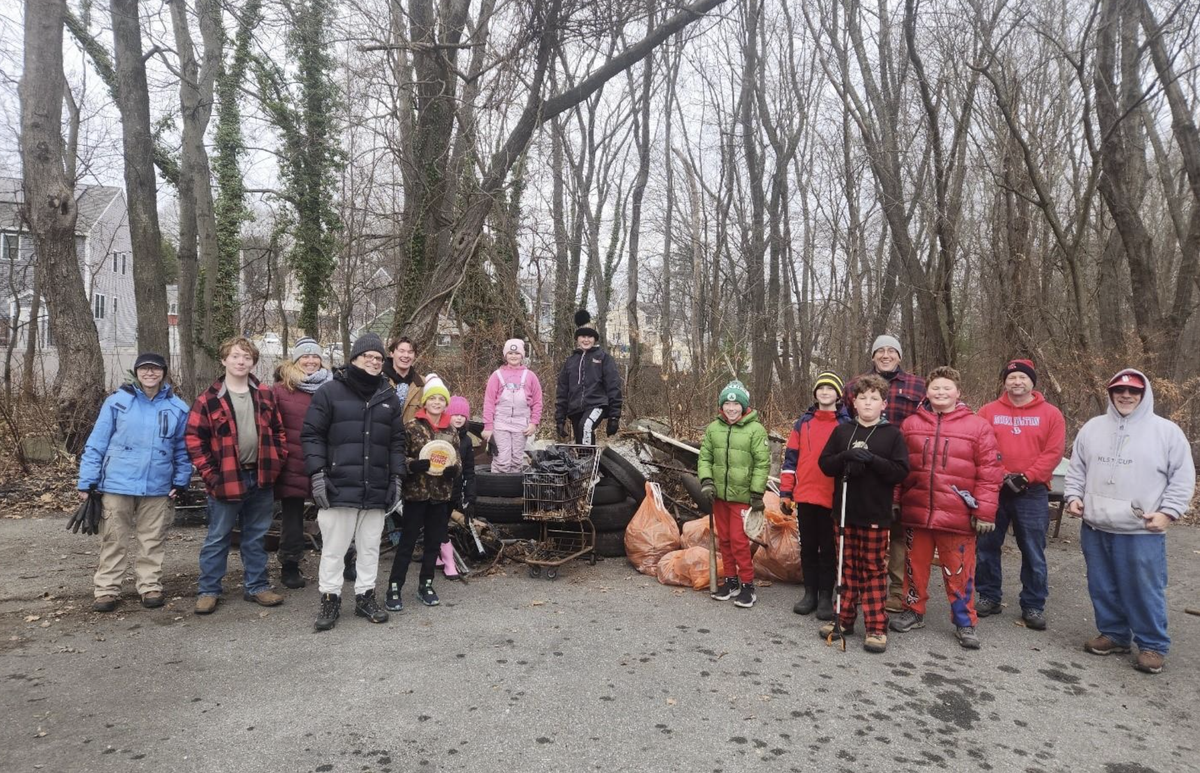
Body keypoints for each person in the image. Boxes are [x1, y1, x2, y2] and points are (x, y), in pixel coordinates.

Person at [1065, 369, 1195, 675]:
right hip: (1096, 524)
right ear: (1111, 394)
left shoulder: (1166, 432)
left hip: (1141, 529)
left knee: (1143, 588)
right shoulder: (1093, 428)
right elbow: (1077, 468)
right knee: (1102, 585)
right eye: (1119, 391)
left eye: (1133, 392)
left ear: (1144, 394)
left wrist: (1169, 512)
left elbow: (1183, 477)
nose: (1126, 396)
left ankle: (1152, 644)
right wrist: (1073, 496)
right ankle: (1114, 634)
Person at [890, 366, 1004, 649]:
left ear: (958, 392)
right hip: (917, 512)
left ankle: (964, 621)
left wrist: (985, 512)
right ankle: (913, 610)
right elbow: (899, 467)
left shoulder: (977, 427)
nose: (941, 393)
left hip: (958, 515)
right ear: (926, 392)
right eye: (935, 388)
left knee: (960, 571)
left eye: (947, 388)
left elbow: (990, 472)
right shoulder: (911, 424)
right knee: (914, 568)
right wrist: (895, 498)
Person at [302, 332, 405, 631]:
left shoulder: (388, 397)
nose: (374, 362)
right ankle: (330, 598)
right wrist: (318, 473)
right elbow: (311, 435)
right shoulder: (330, 392)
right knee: (334, 548)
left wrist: (397, 477)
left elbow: (397, 442)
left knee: (370, 547)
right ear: (354, 359)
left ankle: (365, 596)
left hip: (375, 487)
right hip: (338, 485)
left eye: (378, 358)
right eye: (368, 357)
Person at [77, 352, 192, 612]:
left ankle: (150, 585)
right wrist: (87, 481)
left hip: (159, 486)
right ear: (137, 372)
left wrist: (181, 479)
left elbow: (183, 450)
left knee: (152, 539)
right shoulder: (117, 403)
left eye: (155, 369)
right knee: (114, 538)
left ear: (164, 373)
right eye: (144, 369)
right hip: (118, 483)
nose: (149, 373)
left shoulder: (178, 408)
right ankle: (106, 589)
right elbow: (96, 443)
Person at [186, 337, 287, 615]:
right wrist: (211, 475)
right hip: (226, 479)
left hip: (262, 478)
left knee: (256, 536)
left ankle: (256, 586)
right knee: (218, 537)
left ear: (253, 361)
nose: (241, 361)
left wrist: (276, 463)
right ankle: (208, 590)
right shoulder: (208, 400)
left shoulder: (265, 394)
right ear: (224, 360)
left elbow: (279, 432)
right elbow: (194, 440)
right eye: (235, 356)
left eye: (246, 357)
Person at [817, 375, 910, 653]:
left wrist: (873, 461)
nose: (867, 403)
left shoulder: (892, 434)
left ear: (883, 404)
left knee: (872, 570)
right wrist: (846, 457)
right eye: (862, 398)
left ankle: (876, 626)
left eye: (874, 399)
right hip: (844, 513)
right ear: (854, 402)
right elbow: (825, 464)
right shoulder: (843, 431)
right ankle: (843, 619)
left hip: (875, 514)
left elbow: (901, 471)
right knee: (845, 569)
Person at [976, 359, 1065, 630]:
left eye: (1022, 378)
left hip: (1032, 491)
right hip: (995, 488)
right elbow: (980, 446)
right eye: (1012, 377)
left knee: (1033, 549)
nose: (1017, 382)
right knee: (987, 546)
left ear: (1032, 382)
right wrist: (1001, 474)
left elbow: (1053, 452)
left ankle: (1033, 604)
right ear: (1004, 381)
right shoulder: (987, 411)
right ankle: (989, 595)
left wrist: (1028, 477)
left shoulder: (1051, 414)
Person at [844, 334, 926, 614]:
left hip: (902, 463)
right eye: (881, 351)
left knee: (899, 531)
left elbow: (928, 419)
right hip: (863, 466)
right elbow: (844, 419)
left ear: (900, 356)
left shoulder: (917, 385)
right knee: (863, 531)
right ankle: (857, 587)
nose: (886, 355)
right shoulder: (855, 385)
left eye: (892, 351)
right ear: (873, 356)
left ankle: (896, 590)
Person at [779, 371, 851, 620]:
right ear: (815, 393)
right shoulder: (802, 424)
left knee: (828, 550)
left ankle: (824, 596)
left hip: (832, 496)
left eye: (830, 389)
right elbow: (790, 460)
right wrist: (786, 493)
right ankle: (809, 593)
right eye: (821, 388)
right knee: (808, 547)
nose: (825, 392)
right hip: (805, 494)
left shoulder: (845, 424)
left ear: (838, 395)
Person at [386, 373, 460, 610]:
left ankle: (426, 585)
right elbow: (399, 456)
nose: (437, 403)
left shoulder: (451, 430)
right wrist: (412, 465)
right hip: (416, 494)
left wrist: (453, 471)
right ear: (425, 402)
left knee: (433, 542)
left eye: (441, 399)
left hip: (441, 495)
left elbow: (457, 460)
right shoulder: (411, 427)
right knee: (408, 542)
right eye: (433, 399)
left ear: (446, 403)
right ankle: (394, 587)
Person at [697, 379, 771, 609]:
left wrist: (757, 493)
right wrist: (707, 481)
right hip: (719, 496)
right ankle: (731, 581)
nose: (731, 409)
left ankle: (747, 585)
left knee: (739, 542)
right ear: (721, 406)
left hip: (743, 498)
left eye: (736, 405)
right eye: (727, 405)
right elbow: (705, 457)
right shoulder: (713, 428)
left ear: (744, 406)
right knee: (725, 540)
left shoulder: (755, 430)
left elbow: (762, 463)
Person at [271, 337, 332, 590]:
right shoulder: (280, 389)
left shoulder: (332, 387)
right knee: (292, 518)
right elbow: (273, 425)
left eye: (315, 356)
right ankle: (290, 563)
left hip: (324, 461)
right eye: (305, 356)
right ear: (295, 360)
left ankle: (342, 559)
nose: (310, 360)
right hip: (292, 461)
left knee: (333, 515)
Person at [555, 310, 623, 445]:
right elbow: (562, 391)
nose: (586, 340)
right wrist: (560, 419)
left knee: (585, 427)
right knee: (580, 439)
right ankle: (586, 464)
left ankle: (589, 461)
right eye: (583, 337)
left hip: (597, 404)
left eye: (590, 337)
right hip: (575, 408)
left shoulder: (603, 358)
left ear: (595, 339)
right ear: (577, 339)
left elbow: (613, 386)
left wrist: (614, 417)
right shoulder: (570, 361)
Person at [482, 339, 543, 472]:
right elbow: (489, 402)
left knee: (517, 461)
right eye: (510, 353)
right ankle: (498, 489)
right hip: (501, 423)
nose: (513, 356)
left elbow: (538, 402)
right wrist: (488, 426)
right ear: (505, 355)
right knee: (502, 460)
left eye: (517, 353)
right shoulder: (496, 376)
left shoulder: (530, 376)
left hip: (521, 424)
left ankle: (513, 491)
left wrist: (534, 423)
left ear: (522, 355)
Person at [382, 335, 425, 423]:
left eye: (410, 352)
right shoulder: (379, 380)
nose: (406, 355)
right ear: (392, 353)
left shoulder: (422, 383)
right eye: (401, 351)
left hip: (412, 435)